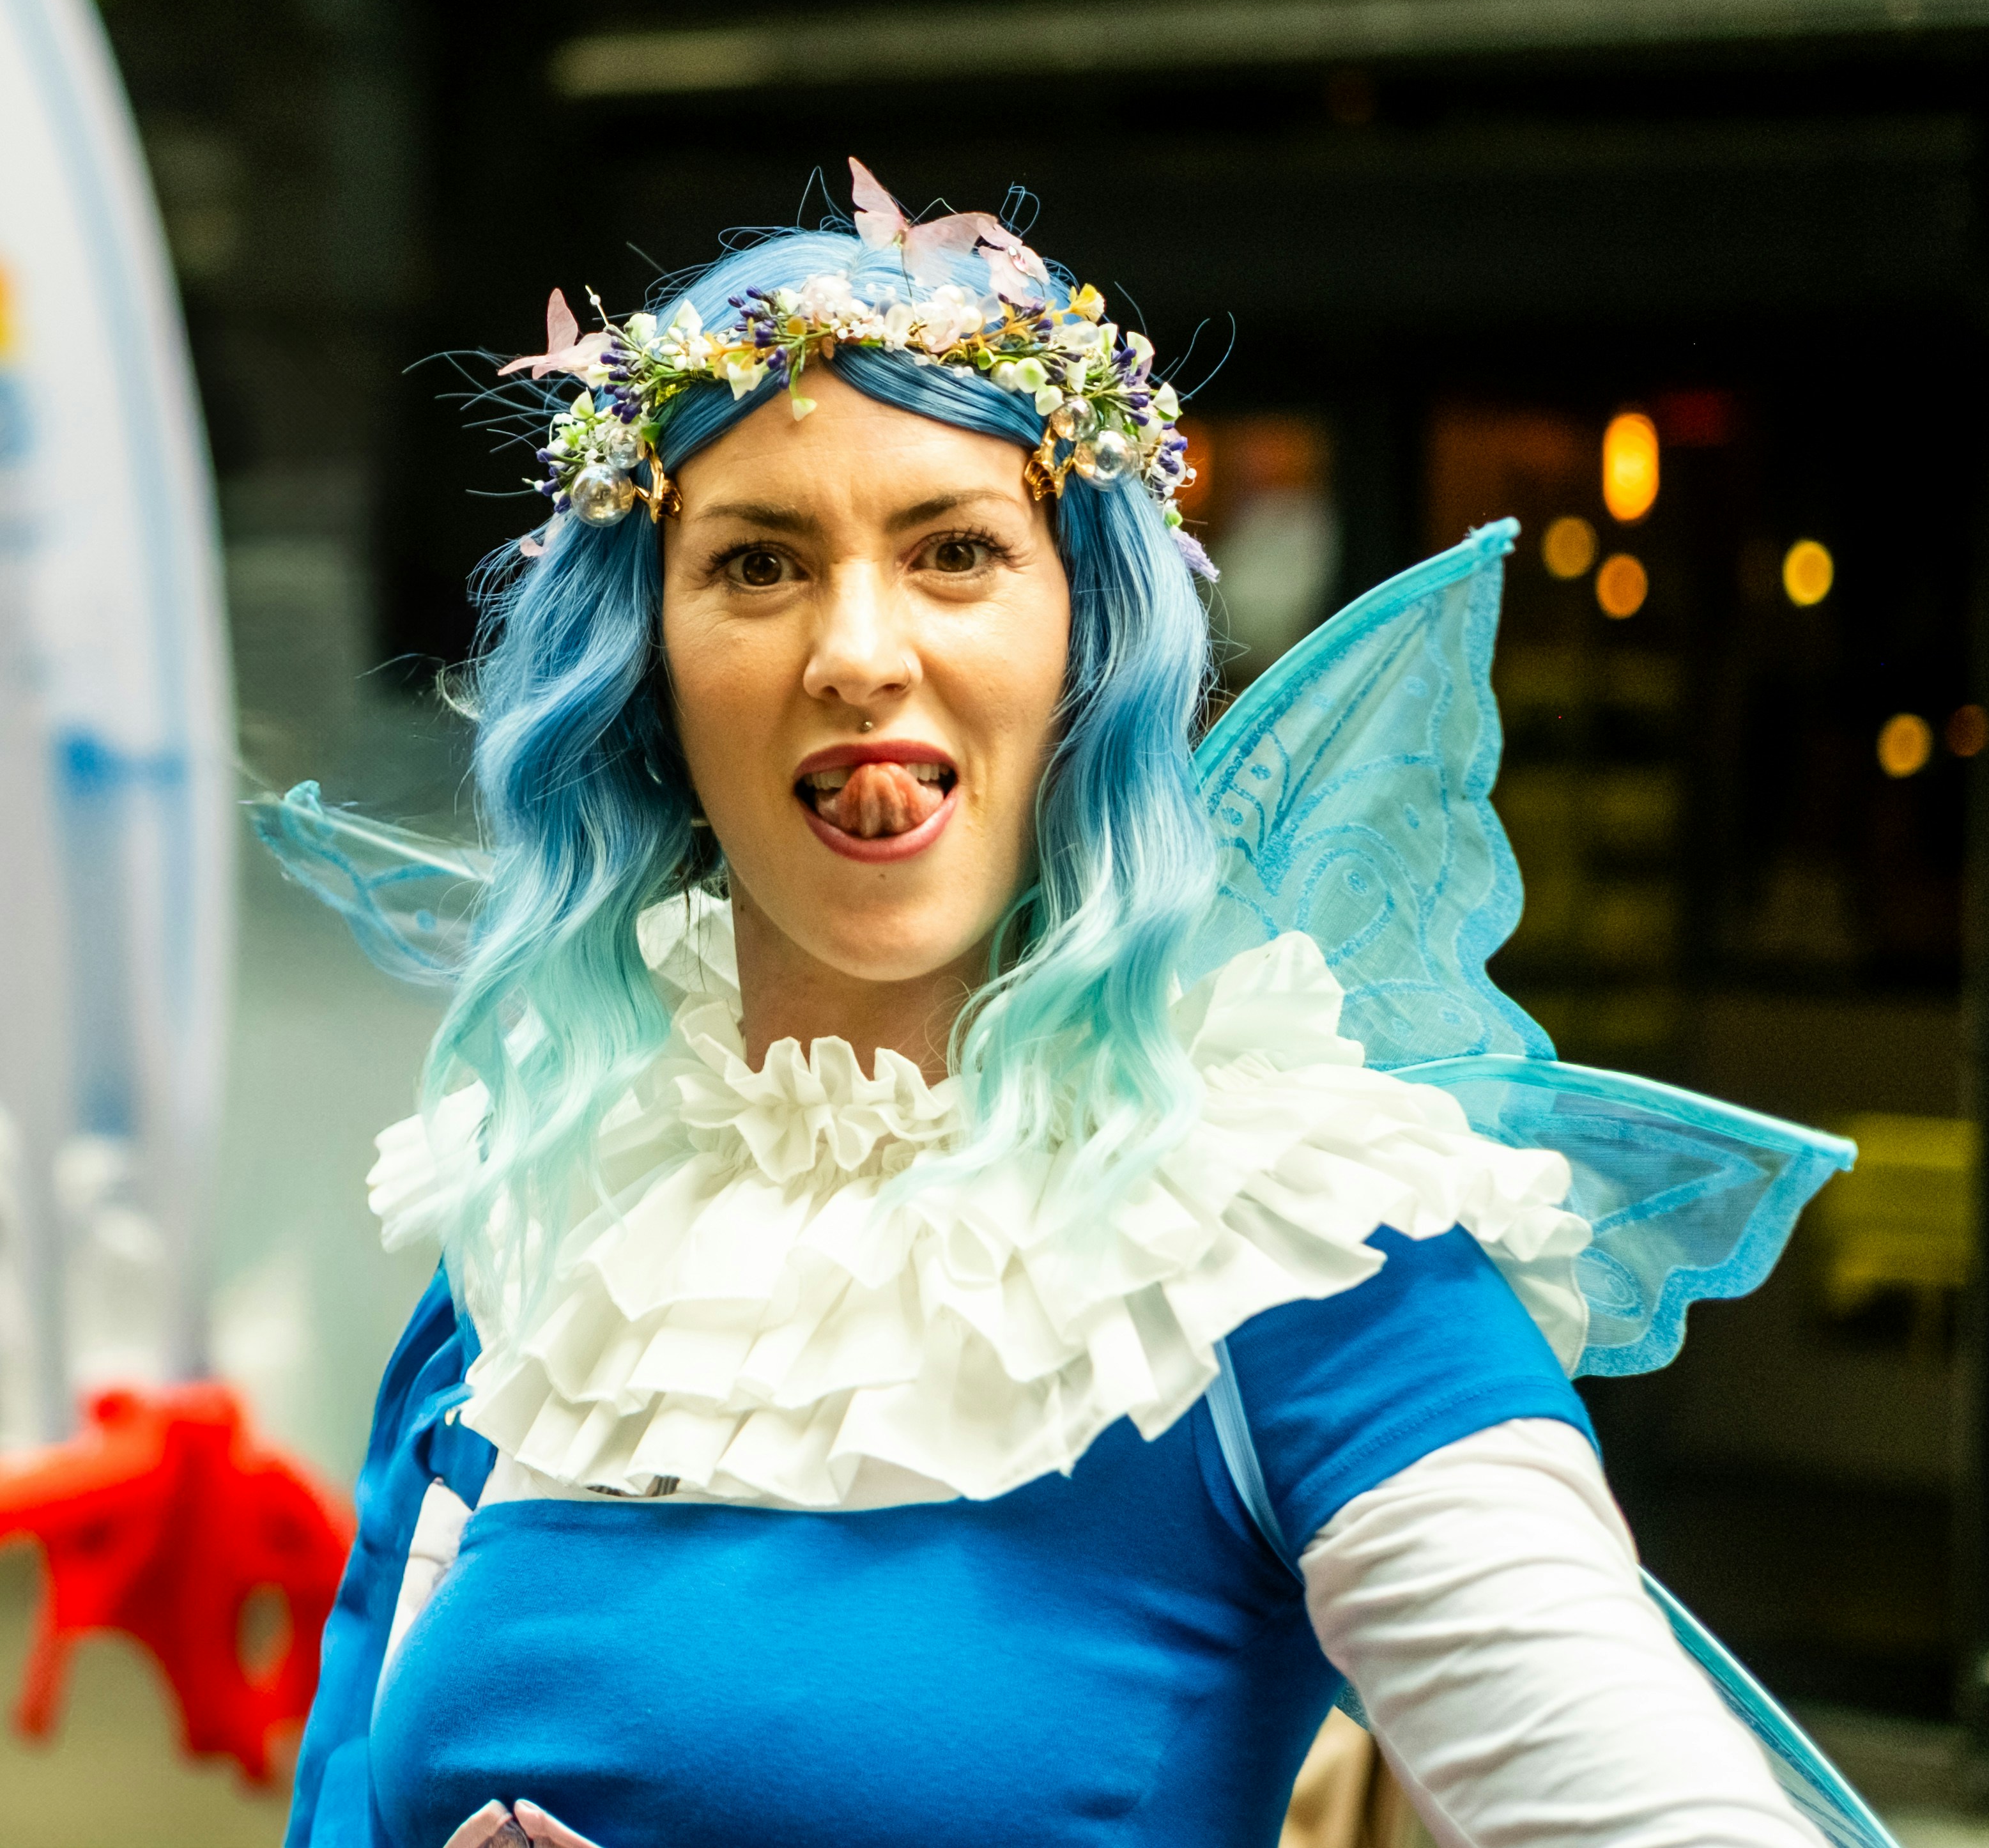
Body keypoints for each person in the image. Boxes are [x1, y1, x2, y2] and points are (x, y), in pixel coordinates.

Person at [275, 161, 1887, 1848]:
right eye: (756, 564)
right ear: (648, 677)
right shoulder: (543, 1229)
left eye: (956, 551)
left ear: (1084, 654)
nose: (858, 651)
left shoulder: (1299, 1248)